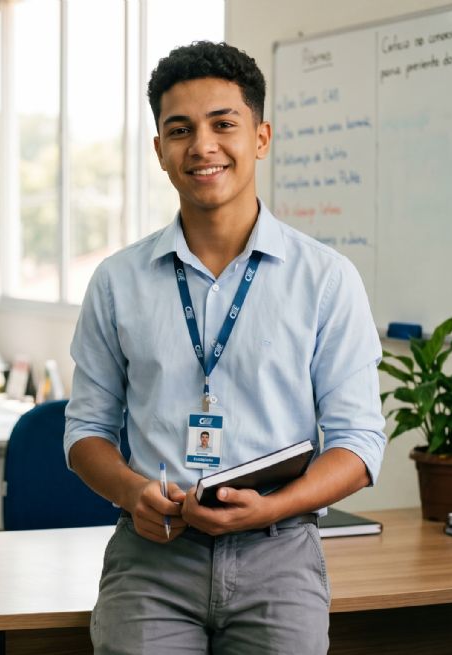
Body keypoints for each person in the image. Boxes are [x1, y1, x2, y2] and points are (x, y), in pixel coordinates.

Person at [64, 42, 386, 654]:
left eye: (223, 124)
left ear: (260, 137)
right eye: (179, 130)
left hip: (279, 554)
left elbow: (359, 443)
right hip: (154, 555)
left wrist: (270, 509)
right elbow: (84, 433)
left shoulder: (325, 278)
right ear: (159, 149)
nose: (202, 146)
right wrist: (134, 494)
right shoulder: (117, 281)